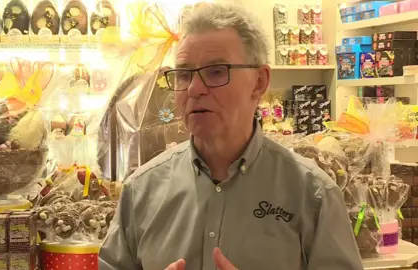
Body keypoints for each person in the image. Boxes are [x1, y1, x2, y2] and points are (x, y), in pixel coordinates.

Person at [99, 3, 363, 270]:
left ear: (259, 82)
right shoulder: (140, 192)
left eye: (216, 72)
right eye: (183, 74)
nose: (194, 89)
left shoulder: (313, 195)